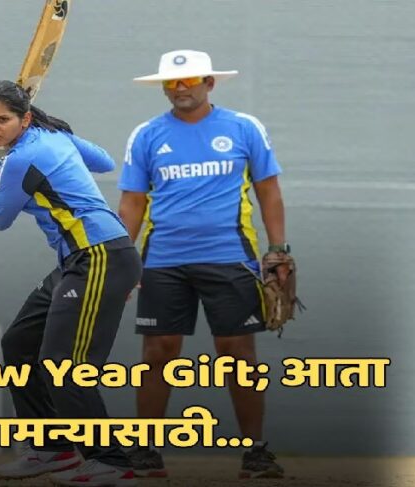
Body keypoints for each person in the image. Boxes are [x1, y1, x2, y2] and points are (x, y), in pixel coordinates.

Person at [0, 80, 142, 487]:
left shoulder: (25, 157)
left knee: (64, 366)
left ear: (24, 118)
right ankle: (51, 448)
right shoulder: (52, 137)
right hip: (78, 260)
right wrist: (22, 146)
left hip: (100, 256)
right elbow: (103, 160)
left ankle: (111, 461)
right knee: (18, 344)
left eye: (2, 120)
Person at [117, 50, 289, 479]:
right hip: (163, 260)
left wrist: (278, 249)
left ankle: (255, 452)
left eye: (189, 80)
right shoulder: (146, 135)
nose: (180, 88)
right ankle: (146, 450)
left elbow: (268, 190)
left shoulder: (244, 128)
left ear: (209, 83)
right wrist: (120, 262)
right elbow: (132, 202)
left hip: (230, 258)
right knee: (158, 352)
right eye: (172, 82)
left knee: (237, 355)